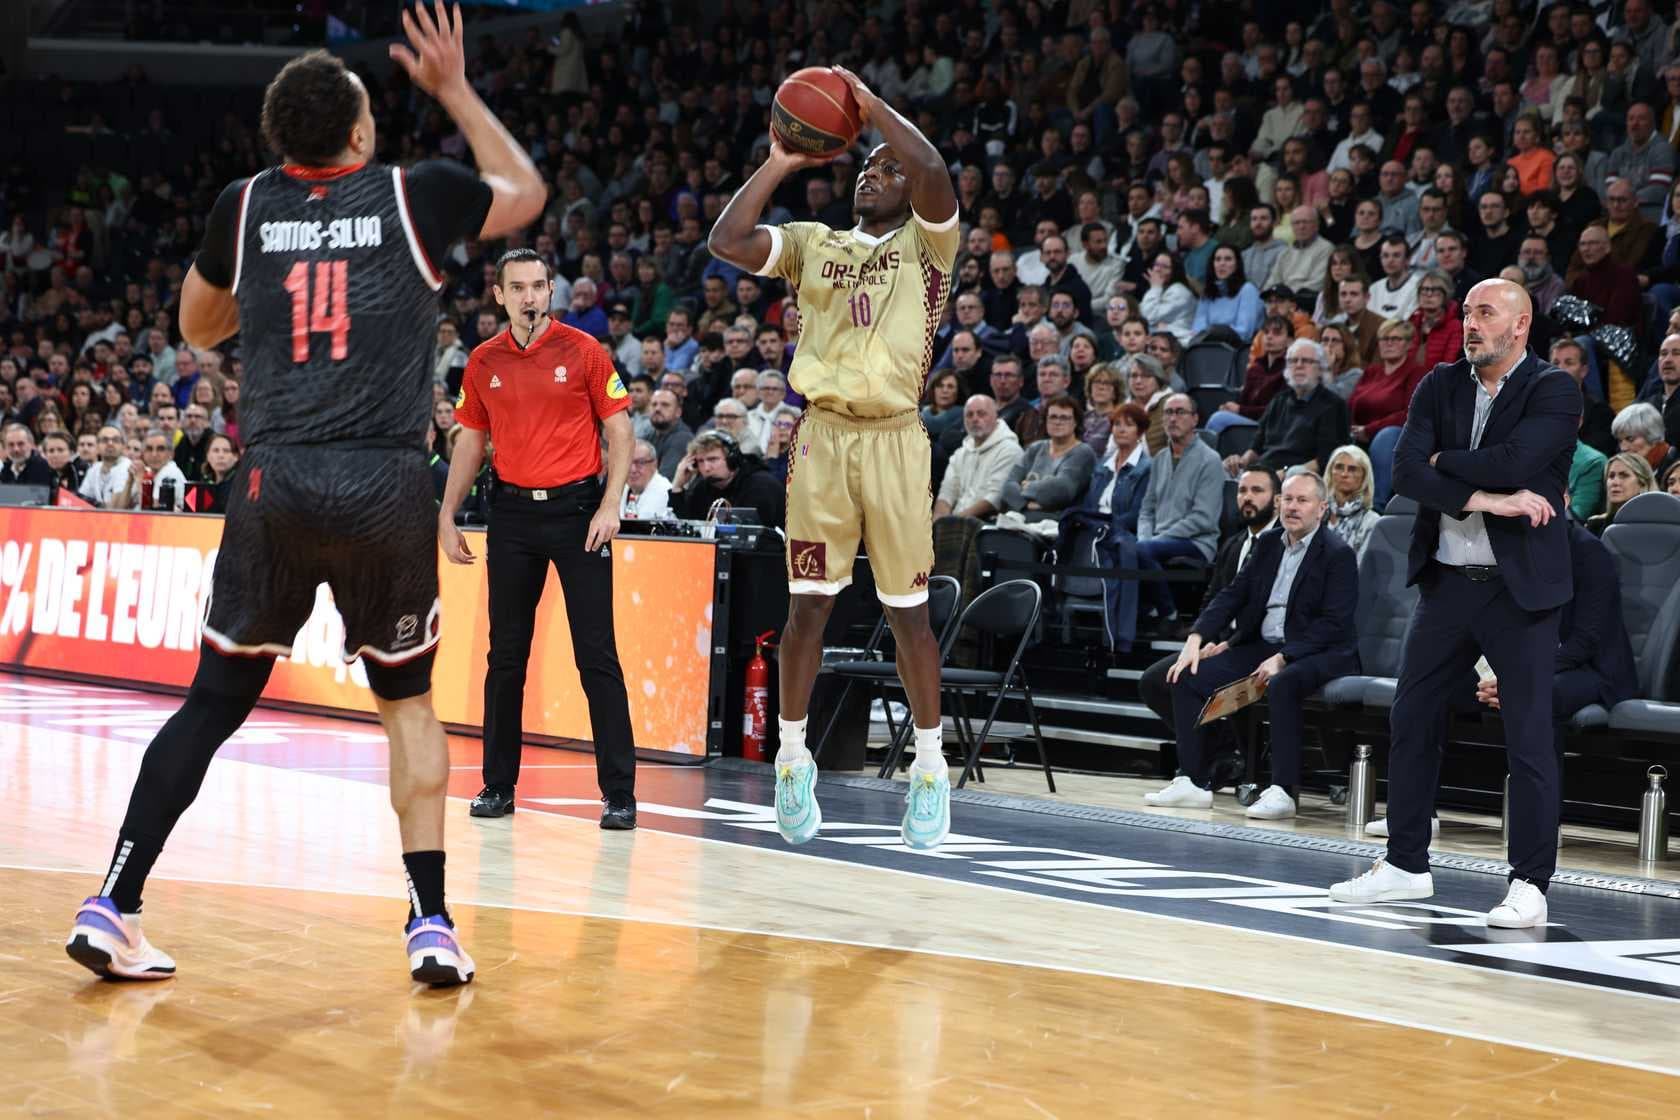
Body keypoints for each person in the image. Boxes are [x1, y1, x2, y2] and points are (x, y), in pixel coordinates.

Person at [67, 10, 546, 988]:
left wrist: (275, 284)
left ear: (281, 140)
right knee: (407, 707)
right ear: (362, 133)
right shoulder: (418, 194)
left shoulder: (243, 208)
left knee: (211, 702)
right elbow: (526, 193)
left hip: (273, 477)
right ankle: (431, 923)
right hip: (381, 484)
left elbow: (199, 327)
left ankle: (115, 900)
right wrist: (452, 88)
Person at [708, 66, 961, 850]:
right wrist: (783, 159)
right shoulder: (815, 243)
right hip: (821, 436)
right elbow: (727, 239)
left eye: (883, 170)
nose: (871, 178)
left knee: (908, 613)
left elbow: (934, 172)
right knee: (806, 608)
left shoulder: (929, 244)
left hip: (893, 438)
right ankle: (791, 760)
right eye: (862, 167)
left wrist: (865, 104)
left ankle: (929, 767)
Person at [1331, 279, 1580, 930]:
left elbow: (1516, 457)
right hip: (1446, 581)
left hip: (1517, 587)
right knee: (1411, 717)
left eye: (1486, 313)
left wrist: (1449, 464)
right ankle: (1406, 865)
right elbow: (1408, 473)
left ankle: (1530, 882)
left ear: (1520, 325)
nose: (1470, 324)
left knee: (1528, 737)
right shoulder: (1437, 385)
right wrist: (1489, 499)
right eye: (1466, 313)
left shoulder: (1553, 389)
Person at [444, 247, 638, 835]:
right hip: (511, 516)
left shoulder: (583, 350)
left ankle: (620, 795)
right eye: (518, 287)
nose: (530, 296)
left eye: (539, 286)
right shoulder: (482, 361)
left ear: (550, 291)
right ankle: (497, 785)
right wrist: (447, 514)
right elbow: (470, 442)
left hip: (578, 512)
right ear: (498, 295)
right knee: (505, 656)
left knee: (596, 655)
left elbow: (621, 431)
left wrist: (611, 504)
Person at [1152, 470, 1359, 819]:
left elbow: (1333, 624)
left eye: (1302, 500)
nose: (1292, 507)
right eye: (1288, 499)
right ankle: (1194, 781)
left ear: (1322, 508)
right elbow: (1232, 594)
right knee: (1187, 675)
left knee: (1283, 682)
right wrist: (1196, 637)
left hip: (1322, 651)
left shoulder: (1337, 553)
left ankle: (1283, 790)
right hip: (1264, 643)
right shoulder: (1267, 544)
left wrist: (1284, 656)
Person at [1137, 467, 1279, 723]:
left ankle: (1209, 756)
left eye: (1257, 490)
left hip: (1258, 649)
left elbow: (1270, 610)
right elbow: (1213, 599)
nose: (1247, 497)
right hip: (1220, 644)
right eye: (1242, 490)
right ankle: (1216, 749)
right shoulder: (1233, 544)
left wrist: (1229, 642)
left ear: (1277, 500)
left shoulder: (1283, 546)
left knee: (1187, 681)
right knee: (1153, 681)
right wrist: (1203, 643)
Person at [1135, 393, 1224, 624]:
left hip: (1197, 541)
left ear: (1195, 419)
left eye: (1179, 412)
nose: (1172, 418)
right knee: (1126, 546)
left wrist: (1156, 539)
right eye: (1168, 412)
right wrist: (1145, 537)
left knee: (1143, 550)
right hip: (1158, 540)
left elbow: (1203, 518)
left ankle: (1169, 615)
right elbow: (1146, 509)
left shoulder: (1210, 459)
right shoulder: (1160, 458)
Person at [999, 395, 1098, 515]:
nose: (1057, 422)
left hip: (1058, 522)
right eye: (1052, 417)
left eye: (1064, 418)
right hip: (1022, 515)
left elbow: (1061, 491)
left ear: (1075, 422)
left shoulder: (1083, 452)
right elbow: (1008, 486)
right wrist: (1026, 505)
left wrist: (1026, 486)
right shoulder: (1035, 448)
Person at [669, 429, 786, 526]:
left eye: (712, 459)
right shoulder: (701, 487)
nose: (706, 468)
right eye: (700, 461)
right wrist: (677, 487)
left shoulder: (761, 486)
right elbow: (687, 527)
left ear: (732, 459)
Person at [935, 395, 1023, 521]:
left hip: (987, 523)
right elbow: (946, 494)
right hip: (955, 523)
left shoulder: (1009, 450)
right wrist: (937, 523)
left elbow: (994, 499)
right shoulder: (960, 453)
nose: (975, 419)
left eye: (981, 414)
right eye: (969, 415)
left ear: (995, 417)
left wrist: (952, 522)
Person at [1324, 444, 1380, 556]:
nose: (1344, 474)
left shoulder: (1372, 522)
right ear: (1330, 472)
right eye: (1339, 467)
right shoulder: (1316, 514)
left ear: (1364, 476)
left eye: (1352, 469)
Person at [1585, 451, 1657, 535]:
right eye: (1611, 476)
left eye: (1624, 476)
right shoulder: (1595, 525)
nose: (1615, 482)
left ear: (1643, 483)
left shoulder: (1657, 524)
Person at [620, 438, 672, 520]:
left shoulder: (666, 492)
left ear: (655, 464)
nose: (633, 469)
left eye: (640, 462)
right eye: (628, 462)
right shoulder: (621, 488)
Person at [0, 422, 53, 487]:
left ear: (31, 444)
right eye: (11, 445)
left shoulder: (40, 465)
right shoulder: (6, 468)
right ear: (5, 447)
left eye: (20, 444)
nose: (16, 449)